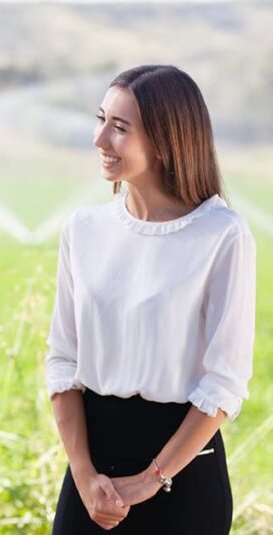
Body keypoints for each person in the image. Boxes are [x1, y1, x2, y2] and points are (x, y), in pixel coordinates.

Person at [46, 65, 255, 534]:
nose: (100, 139)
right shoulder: (83, 229)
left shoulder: (222, 235)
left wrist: (148, 481)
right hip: (90, 475)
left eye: (119, 128)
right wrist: (82, 474)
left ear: (165, 142)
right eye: (101, 120)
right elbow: (63, 361)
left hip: (183, 479)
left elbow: (223, 384)